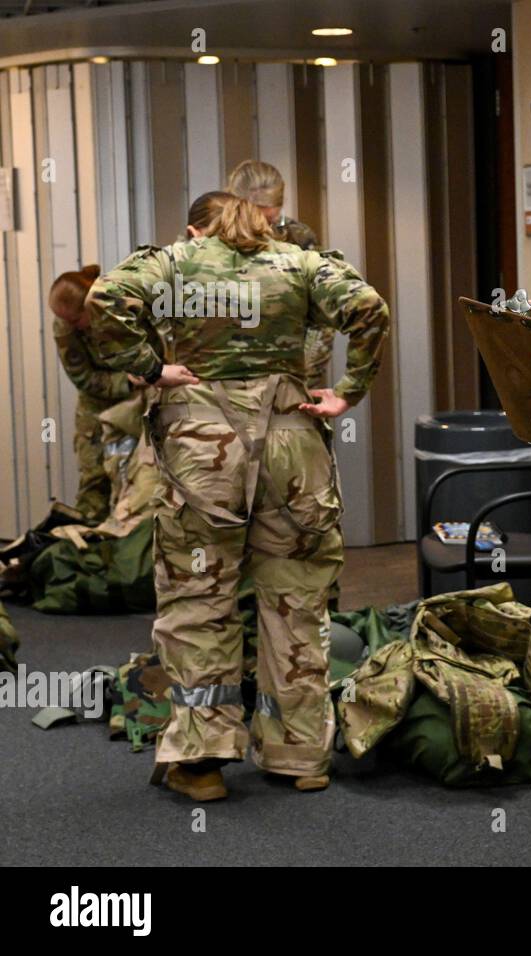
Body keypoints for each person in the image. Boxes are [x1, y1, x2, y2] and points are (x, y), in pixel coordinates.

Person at [86, 190, 390, 801]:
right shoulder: (301, 265)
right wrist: (350, 390)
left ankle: (201, 762)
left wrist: (149, 368)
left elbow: (104, 300)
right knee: (297, 601)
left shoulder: (175, 262)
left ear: (199, 227)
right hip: (291, 447)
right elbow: (369, 309)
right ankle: (300, 755)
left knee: (200, 601)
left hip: (203, 449)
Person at [226, 159, 333, 391]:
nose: (264, 228)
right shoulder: (206, 240)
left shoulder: (298, 238)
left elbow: (322, 318)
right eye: (256, 218)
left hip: (287, 381)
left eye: (271, 220)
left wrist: (301, 380)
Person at [49, 265, 144, 523]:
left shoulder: (120, 304)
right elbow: (83, 378)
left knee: (137, 483)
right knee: (94, 487)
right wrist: (125, 381)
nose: (71, 327)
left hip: (136, 408)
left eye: (75, 320)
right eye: (65, 321)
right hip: (96, 410)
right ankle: (89, 552)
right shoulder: (66, 328)